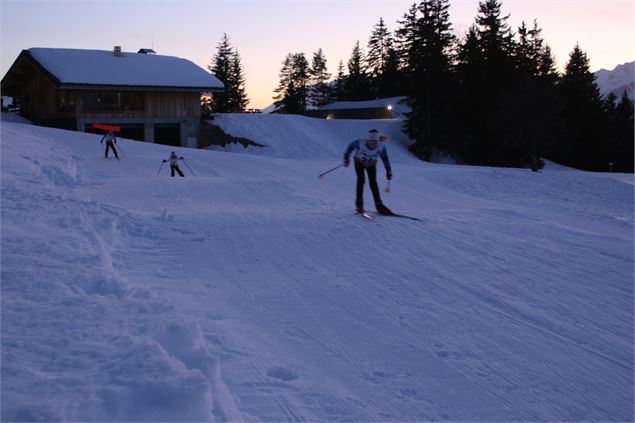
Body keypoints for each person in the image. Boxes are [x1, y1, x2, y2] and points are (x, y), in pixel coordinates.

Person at [343, 128, 393, 215]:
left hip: (371, 164)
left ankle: (379, 205)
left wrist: (388, 170)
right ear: (367, 140)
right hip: (359, 161)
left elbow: (385, 158)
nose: (372, 144)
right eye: (370, 142)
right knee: (361, 180)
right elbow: (350, 147)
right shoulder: (360, 142)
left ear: (377, 141)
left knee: (373, 183)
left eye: (375, 142)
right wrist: (346, 157)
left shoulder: (381, 146)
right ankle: (359, 204)